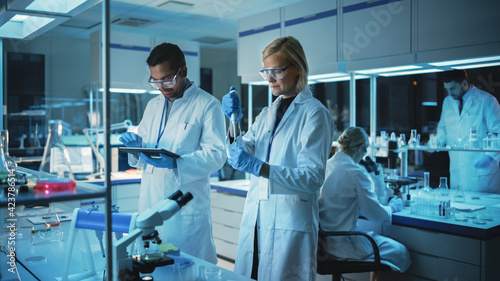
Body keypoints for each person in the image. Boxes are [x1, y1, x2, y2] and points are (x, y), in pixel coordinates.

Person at [222, 36, 335, 280]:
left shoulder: (315, 114)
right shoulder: (266, 114)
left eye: (277, 71)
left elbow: (313, 177)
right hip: (256, 217)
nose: (270, 78)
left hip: (289, 220)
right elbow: (241, 153)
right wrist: (233, 121)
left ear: (298, 68)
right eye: (266, 71)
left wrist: (260, 168)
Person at [119, 42, 226, 263]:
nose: (161, 86)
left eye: (167, 79)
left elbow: (217, 155)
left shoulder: (207, 105)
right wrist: (136, 147)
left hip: (184, 212)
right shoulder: (153, 106)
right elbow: (143, 159)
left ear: (183, 71)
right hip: (150, 204)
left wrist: (177, 163)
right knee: (153, 270)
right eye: (155, 81)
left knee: (185, 269)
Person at [319, 127, 411, 281]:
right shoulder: (356, 172)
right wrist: (395, 204)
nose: (365, 155)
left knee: (378, 247)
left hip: (323, 245)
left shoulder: (325, 166)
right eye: (366, 150)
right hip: (344, 244)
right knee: (399, 251)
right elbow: (377, 215)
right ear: (360, 148)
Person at [436, 70, 500, 193]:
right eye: (447, 89)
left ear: (464, 83)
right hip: (457, 173)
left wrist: (490, 157)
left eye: (453, 88)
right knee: (458, 209)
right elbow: (443, 128)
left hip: (482, 175)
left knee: (484, 209)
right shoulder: (448, 102)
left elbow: (499, 132)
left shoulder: (487, 100)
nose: (449, 93)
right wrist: (436, 142)